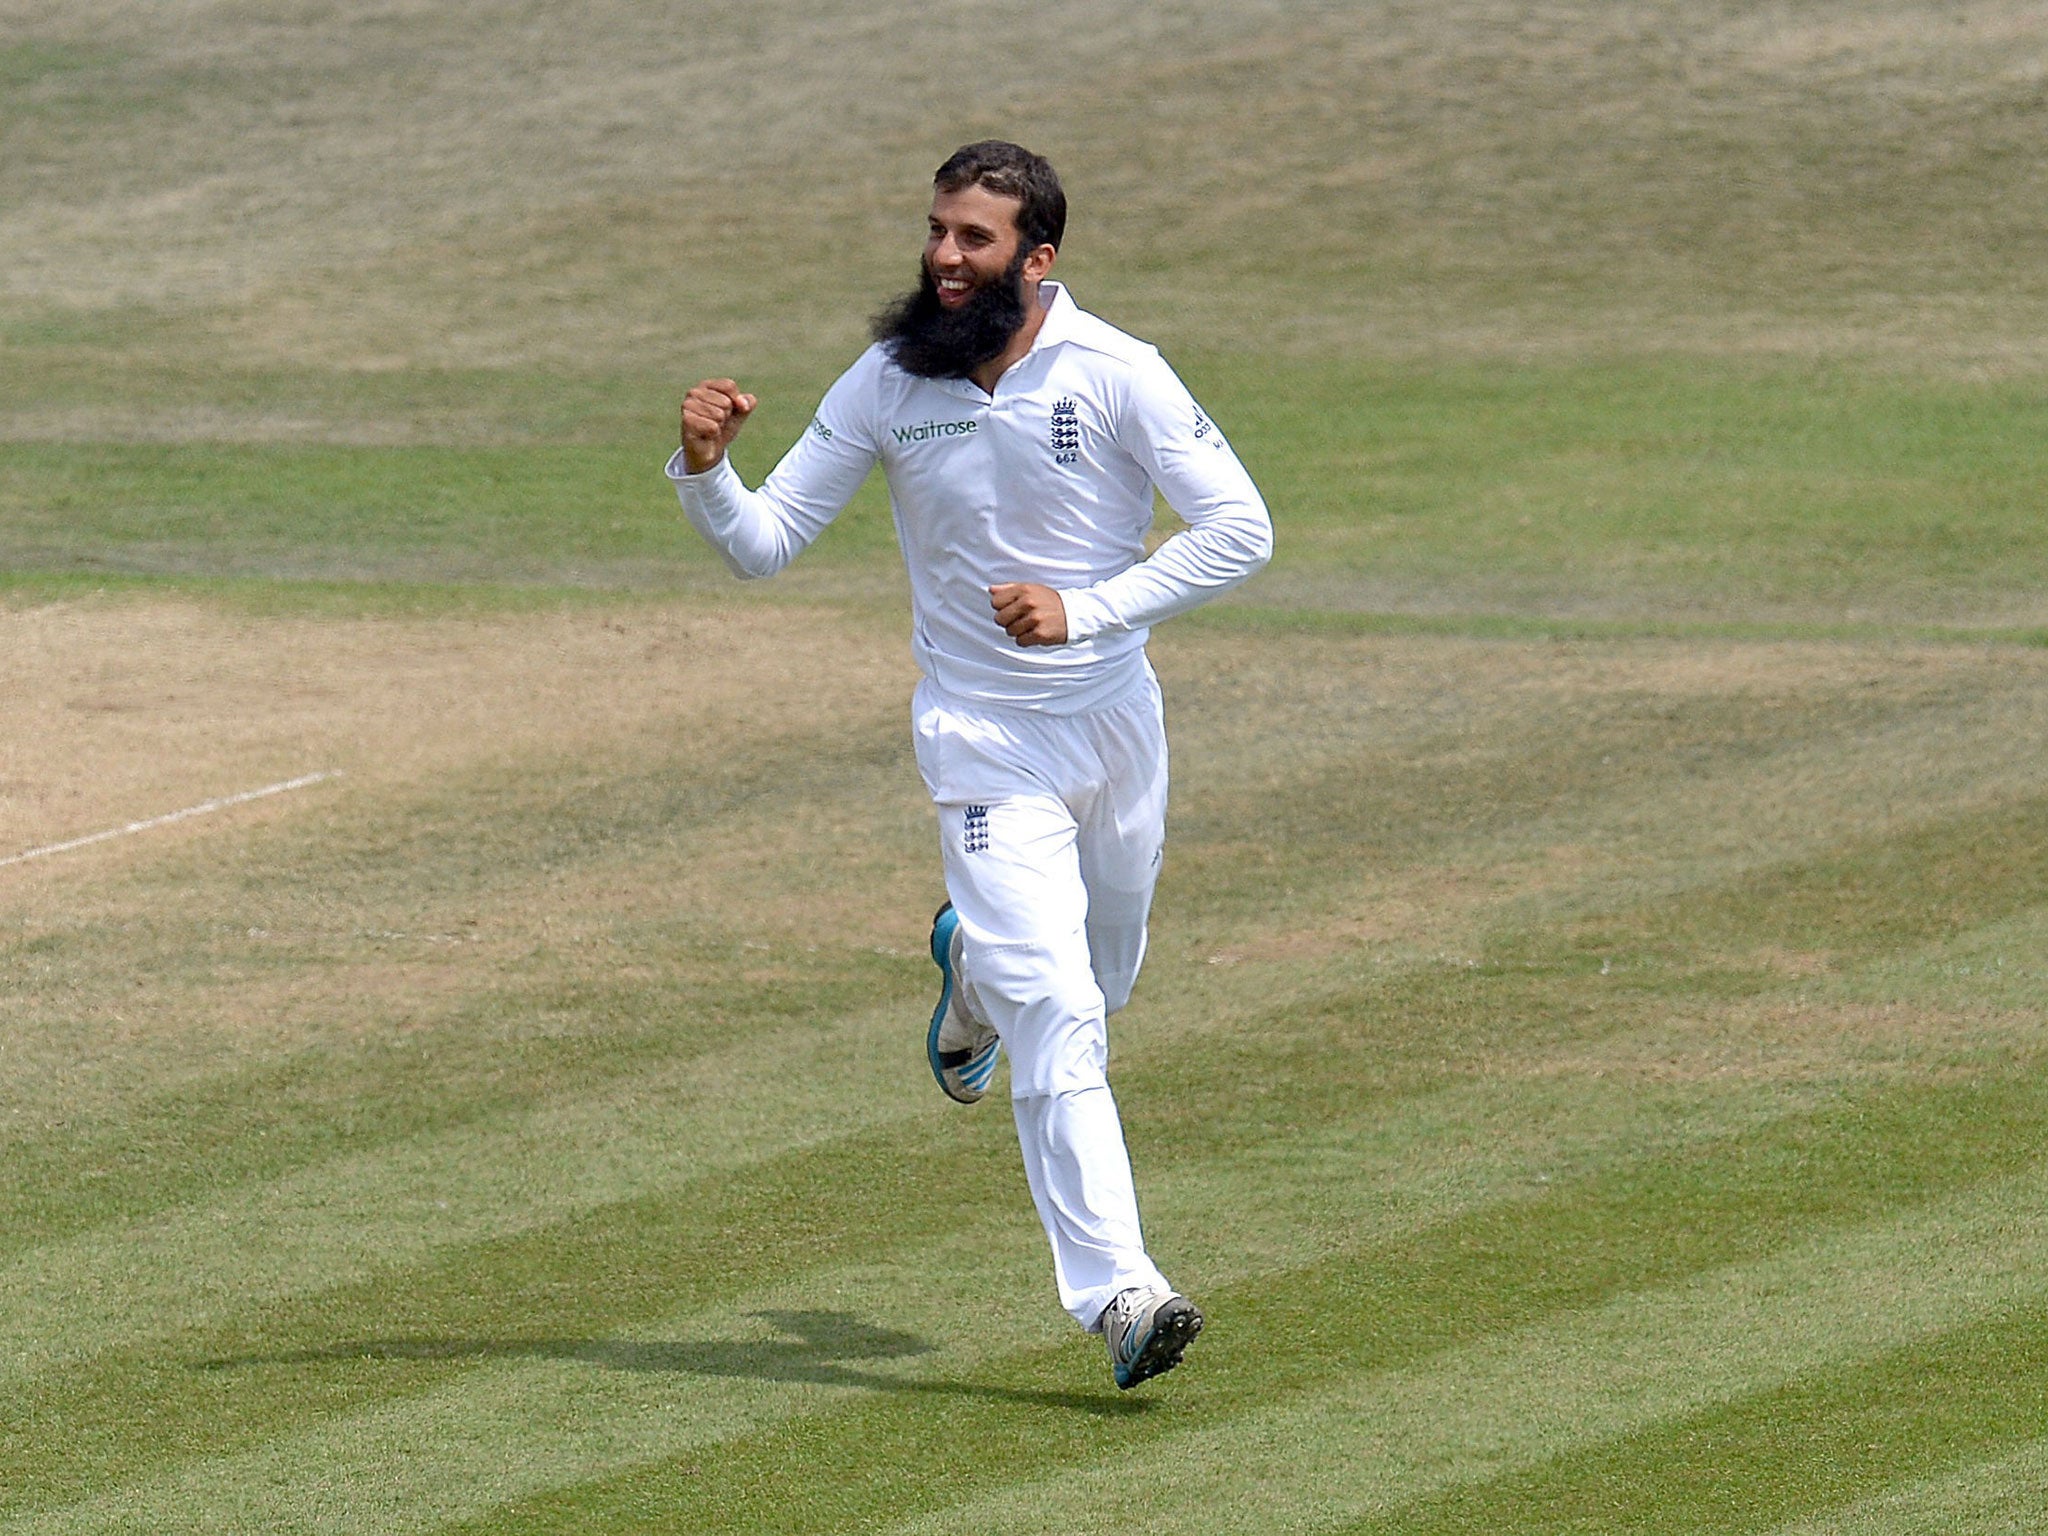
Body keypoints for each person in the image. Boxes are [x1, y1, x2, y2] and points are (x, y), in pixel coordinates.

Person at [666, 140, 1272, 1389]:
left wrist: (1087, 609)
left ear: (1036, 260)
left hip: (1111, 726)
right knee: (1059, 1019)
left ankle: (967, 971)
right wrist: (707, 473)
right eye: (937, 232)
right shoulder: (891, 379)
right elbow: (767, 543)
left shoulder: (1117, 374)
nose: (944, 259)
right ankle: (1121, 1295)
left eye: (974, 241)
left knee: (1099, 985)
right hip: (981, 742)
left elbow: (1240, 530)